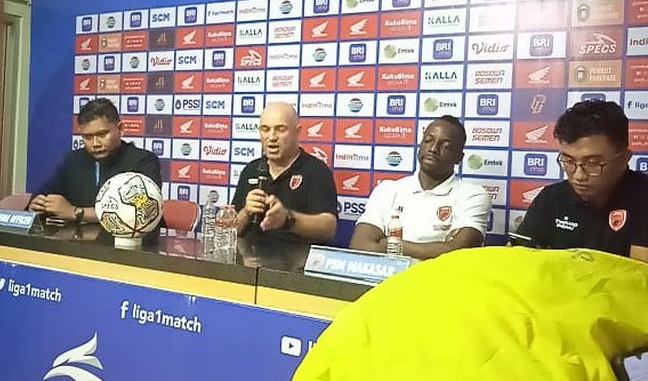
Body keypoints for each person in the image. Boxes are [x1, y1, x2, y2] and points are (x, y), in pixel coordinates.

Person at [515, 100, 648, 262]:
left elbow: (641, 276)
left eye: (592, 163)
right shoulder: (551, 198)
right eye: (569, 161)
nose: (578, 176)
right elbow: (519, 260)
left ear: (624, 159)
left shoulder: (643, 198)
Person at [349, 115, 492, 260]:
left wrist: (389, 245)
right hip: (390, 281)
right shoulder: (388, 189)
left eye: (445, 146)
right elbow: (359, 245)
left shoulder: (473, 195)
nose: (433, 149)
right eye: (428, 141)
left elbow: (458, 252)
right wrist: (437, 248)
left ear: (459, 158)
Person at [28, 98, 163, 242]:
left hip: (135, 246)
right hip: (82, 246)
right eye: (87, 137)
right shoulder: (74, 159)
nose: (95, 144)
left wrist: (76, 212)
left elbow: (142, 211)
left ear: (120, 129)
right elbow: (45, 191)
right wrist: (38, 203)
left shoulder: (144, 160)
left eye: (102, 134)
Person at [232, 102, 338, 244]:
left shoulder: (316, 171)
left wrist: (287, 219)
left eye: (280, 129)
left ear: (297, 132)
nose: (272, 137)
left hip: (296, 262)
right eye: (265, 129)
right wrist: (246, 212)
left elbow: (329, 228)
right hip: (250, 260)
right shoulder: (251, 170)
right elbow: (231, 231)